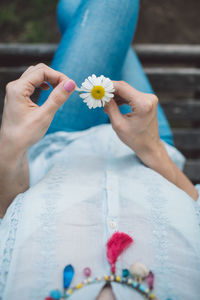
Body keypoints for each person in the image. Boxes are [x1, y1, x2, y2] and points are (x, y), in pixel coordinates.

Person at [0, 0, 200, 299]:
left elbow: (7, 212)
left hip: (62, 138)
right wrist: (153, 149)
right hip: (148, 143)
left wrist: (12, 145)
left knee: (85, 8)